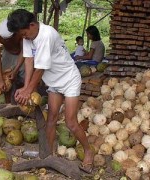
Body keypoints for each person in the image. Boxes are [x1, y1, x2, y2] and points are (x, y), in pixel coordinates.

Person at [7, 9, 94, 173]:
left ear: (32, 25)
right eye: (22, 35)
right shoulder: (28, 36)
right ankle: (48, 155)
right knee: (51, 119)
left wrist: (28, 91)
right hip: (53, 82)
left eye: (25, 33)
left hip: (69, 79)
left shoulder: (46, 34)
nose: (24, 37)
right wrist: (26, 88)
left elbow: (40, 69)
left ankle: (88, 151)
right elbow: (29, 61)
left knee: (70, 122)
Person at [0, 19, 24, 102]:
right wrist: (0, 79)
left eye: (9, 38)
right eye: (4, 39)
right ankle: (8, 104)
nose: (6, 41)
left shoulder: (20, 33)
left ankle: (25, 103)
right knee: (6, 81)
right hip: (8, 53)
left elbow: (24, 51)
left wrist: (16, 70)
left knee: (25, 78)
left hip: (22, 53)